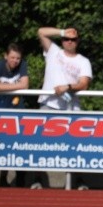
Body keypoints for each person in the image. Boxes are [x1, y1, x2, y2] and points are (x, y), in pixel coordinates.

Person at [35, 26, 93, 190]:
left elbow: (84, 84)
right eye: (66, 39)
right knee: (41, 145)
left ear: (78, 42)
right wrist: (62, 31)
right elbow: (41, 32)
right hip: (49, 104)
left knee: (76, 146)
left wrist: (67, 87)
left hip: (70, 108)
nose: (69, 42)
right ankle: (38, 178)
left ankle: (79, 179)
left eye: (73, 39)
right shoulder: (54, 51)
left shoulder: (83, 61)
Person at [0, 42, 29, 187]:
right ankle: (2, 177)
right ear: (6, 56)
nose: (15, 61)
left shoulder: (22, 64)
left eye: (17, 58)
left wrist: (2, 87)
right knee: (1, 144)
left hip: (16, 108)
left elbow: (25, 85)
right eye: (12, 58)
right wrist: (13, 88)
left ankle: (20, 177)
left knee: (19, 143)